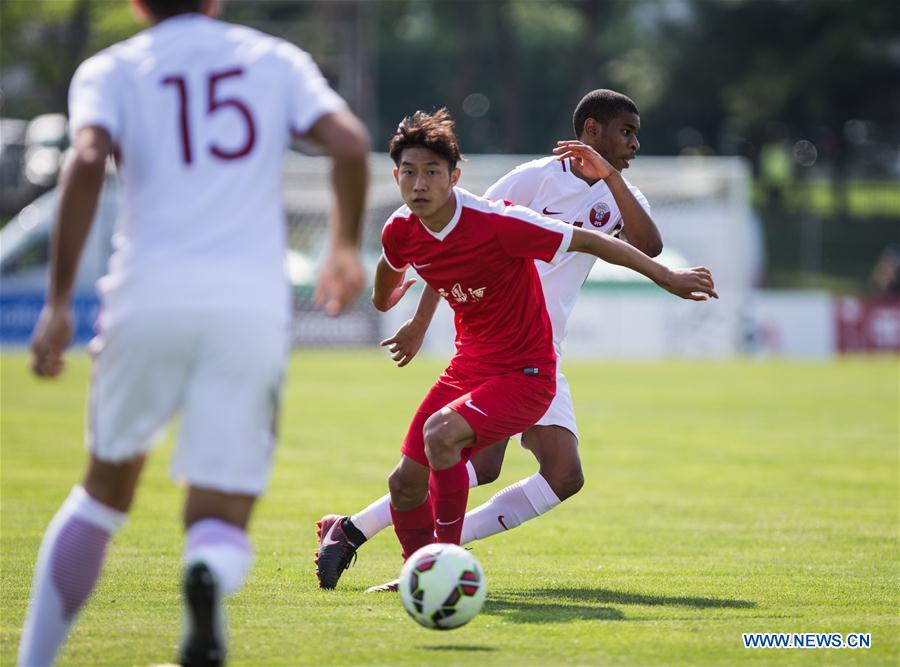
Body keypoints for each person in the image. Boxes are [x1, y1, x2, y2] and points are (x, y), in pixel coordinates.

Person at [18, 0, 369, 665]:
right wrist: (345, 246)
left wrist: (59, 300)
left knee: (101, 496)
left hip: (145, 293)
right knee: (219, 514)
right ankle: (204, 577)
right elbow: (349, 142)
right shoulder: (273, 60)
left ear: (136, 3)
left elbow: (86, 161)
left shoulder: (111, 68)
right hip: (249, 306)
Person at [314, 106, 716, 590]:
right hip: (490, 347)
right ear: (592, 129)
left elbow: (647, 245)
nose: (634, 143)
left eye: (636, 134)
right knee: (475, 461)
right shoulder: (530, 181)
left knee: (543, 472)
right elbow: (452, 239)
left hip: (536, 347)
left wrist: (611, 180)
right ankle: (419, 556)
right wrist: (418, 320)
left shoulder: (620, 195)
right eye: (626, 132)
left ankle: (417, 555)